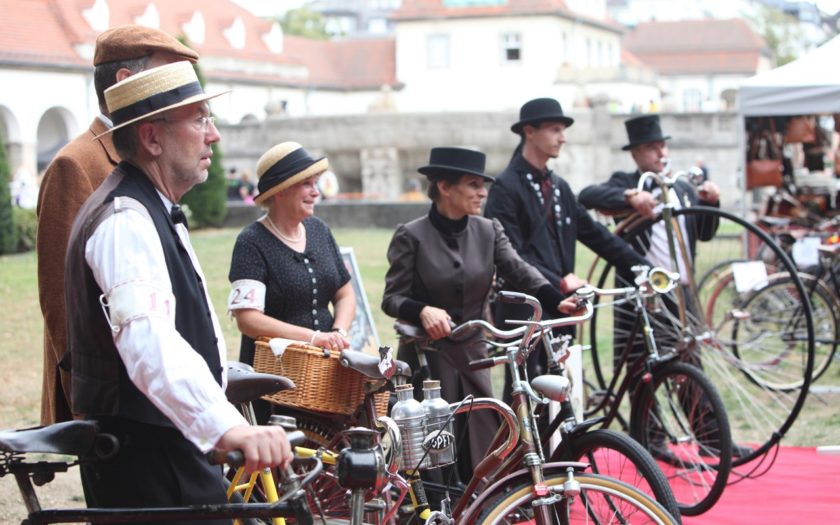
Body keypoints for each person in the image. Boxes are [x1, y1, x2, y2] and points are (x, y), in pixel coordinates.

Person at [64, 61, 293, 515]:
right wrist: (229, 428)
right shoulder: (125, 221)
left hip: (169, 450)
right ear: (152, 138)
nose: (214, 135)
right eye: (200, 119)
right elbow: (148, 340)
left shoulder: (151, 209)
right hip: (148, 462)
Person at [382, 146, 581, 480]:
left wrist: (555, 297)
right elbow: (392, 298)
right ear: (444, 187)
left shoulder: (489, 231)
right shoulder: (411, 235)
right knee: (434, 448)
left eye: (483, 185)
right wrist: (422, 310)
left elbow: (520, 270)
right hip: (429, 357)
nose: (482, 192)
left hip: (475, 353)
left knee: (482, 436)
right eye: (473, 184)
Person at [36, 25, 200, 425]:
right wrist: (90, 402)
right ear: (126, 82)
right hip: (116, 396)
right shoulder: (76, 164)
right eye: (166, 75)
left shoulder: (149, 155)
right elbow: (61, 300)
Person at [484, 98, 649, 402]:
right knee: (525, 392)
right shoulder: (505, 187)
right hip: (525, 306)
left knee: (562, 388)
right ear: (529, 131)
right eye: (555, 129)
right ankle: (524, 451)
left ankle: (563, 450)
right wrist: (558, 282)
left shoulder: (558, 186)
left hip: (563, 303)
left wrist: (643, 269)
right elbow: (512, 255)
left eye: (563, 129)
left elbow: (597, 235)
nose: (563, 137)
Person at [227, 141, 355, 372]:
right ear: (280, 191)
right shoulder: (251, 241)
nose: (316, 192)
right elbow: (248, 320)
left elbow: (345, 294)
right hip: (275, 373)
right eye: (307, 184)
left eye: (315, 183)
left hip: (324, 367)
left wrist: (337, 333)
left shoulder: (319, 230)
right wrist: (312, 338)